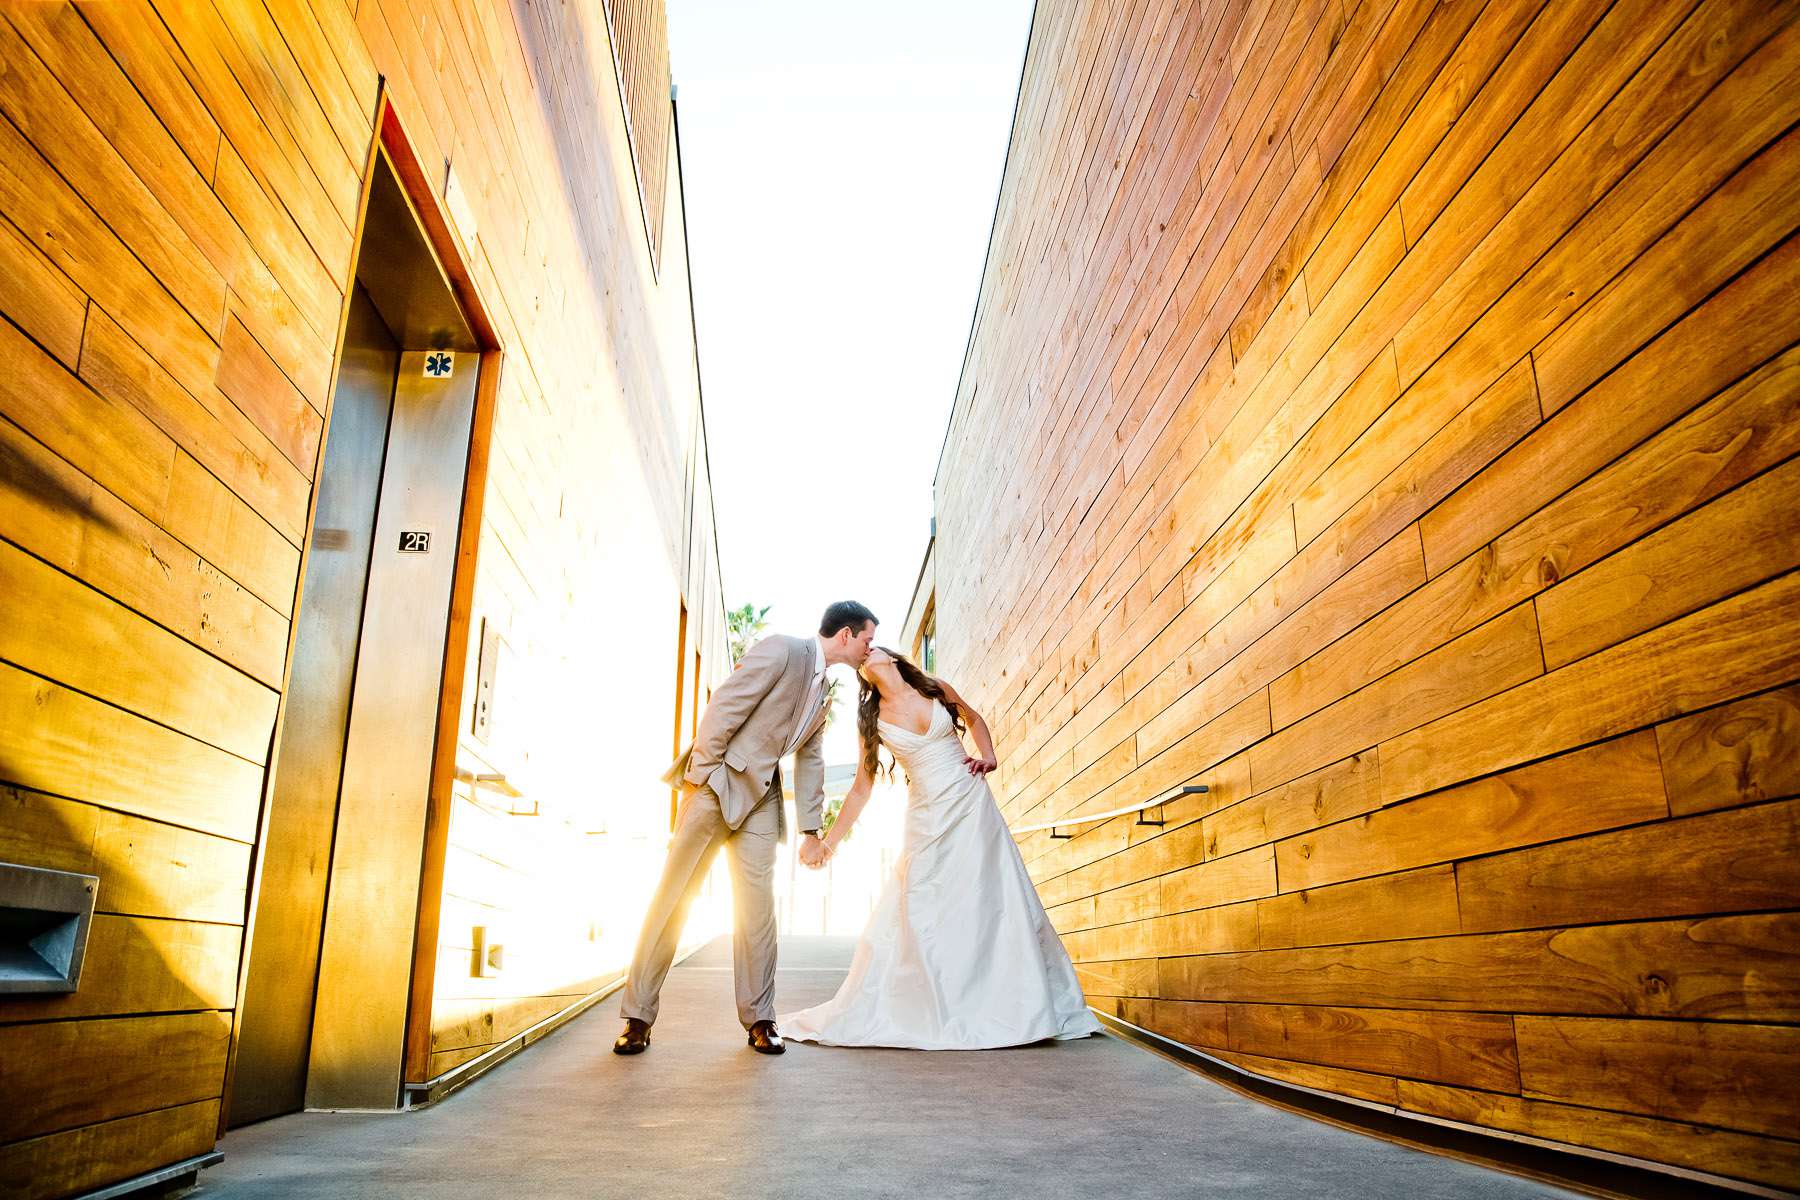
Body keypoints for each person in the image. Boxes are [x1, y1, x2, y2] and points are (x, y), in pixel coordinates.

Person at [778, 646, 1102, 1049]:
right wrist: (828, 841)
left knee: (991, 895)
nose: (866, 655)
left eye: (873, 650)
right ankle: (938, 1004)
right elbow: (862, 788)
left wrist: (989, 756)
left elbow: (974, 718)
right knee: (924, 904)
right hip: (926, 818)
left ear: (892, 659)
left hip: (969, 801)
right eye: (862, 659)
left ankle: (1014, 1005)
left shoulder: (935, 689)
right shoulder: (872, 720)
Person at [613, 601, 877, 1056]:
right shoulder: (782, 650)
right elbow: (725, 704)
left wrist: (811, 829)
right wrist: (700, 777)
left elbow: (809, 760)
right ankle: (637, 1017)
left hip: (762, 799)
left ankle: (760, 1019)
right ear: (847, 635)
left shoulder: (824, 694)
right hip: (716, 785)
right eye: (868, 639)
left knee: (756, 910)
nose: (870, 649)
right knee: (674, 897)